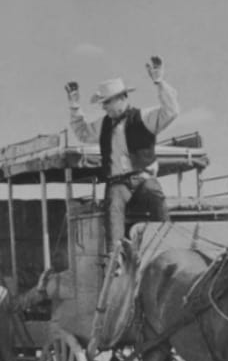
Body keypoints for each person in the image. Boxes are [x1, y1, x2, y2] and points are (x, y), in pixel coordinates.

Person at [67, 55, 179, 254]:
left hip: (144, 178)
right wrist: (75, 107)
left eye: (107, 102)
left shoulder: (144, 117)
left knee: (157, 197)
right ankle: (115, 257)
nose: (104, 107)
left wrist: (159, 82)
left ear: (122, 99)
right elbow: (83, 132)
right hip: (118, 183)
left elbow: (170, 111)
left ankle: (168, 248)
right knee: (113, 207)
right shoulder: (103, 124)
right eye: (103, 103)